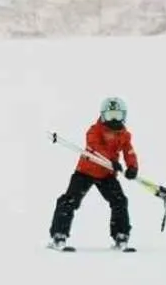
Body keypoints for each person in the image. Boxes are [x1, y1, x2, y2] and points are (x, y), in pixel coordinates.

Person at [49, 96, 139, 250]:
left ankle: (121, 235)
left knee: (120, 201)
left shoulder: (124, 134)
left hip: (106, 175)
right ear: (103, 115)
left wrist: (132, 167)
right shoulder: (94, 130)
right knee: (69, 200)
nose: (113, 119)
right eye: (110, 115)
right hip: (85, 171)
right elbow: (95, 147)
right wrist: (112, 160)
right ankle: (59, 234)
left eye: (117, 115)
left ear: (124, 115)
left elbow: (129, 151)